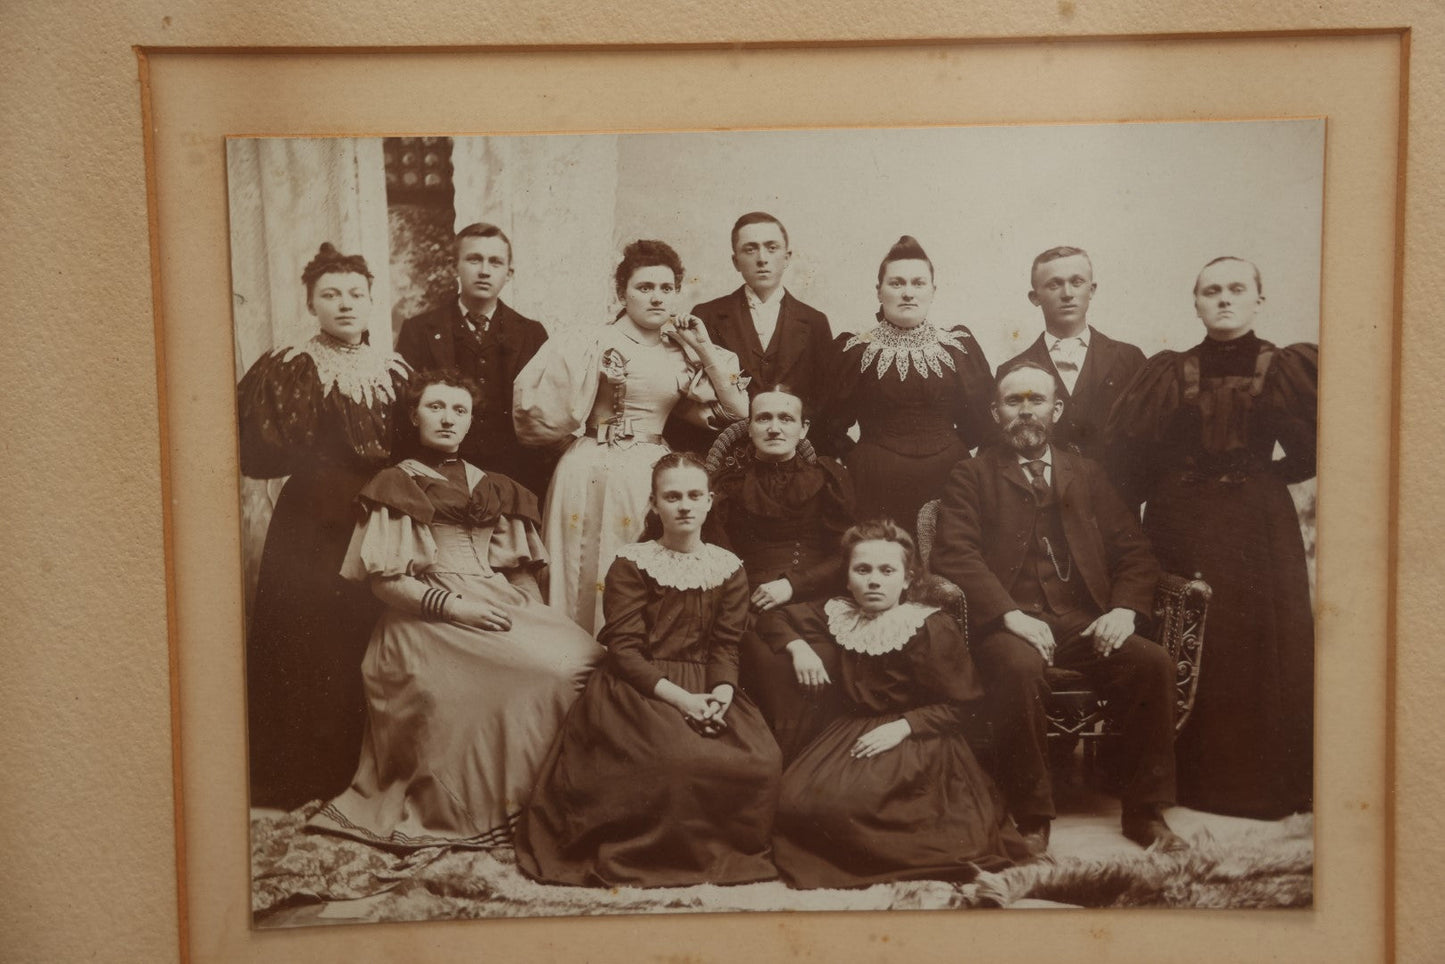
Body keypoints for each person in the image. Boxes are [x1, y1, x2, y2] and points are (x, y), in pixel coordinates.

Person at [306, 372, 602, 849]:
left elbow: (518, 569)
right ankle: (489, 811)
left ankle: (545, 802)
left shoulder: (494, 485)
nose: (447, 418)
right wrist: (457, 609)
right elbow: (386, 582)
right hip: (424, 618)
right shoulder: (395, 483)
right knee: (542, 670)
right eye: (436, 407)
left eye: (458, 410)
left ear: (469, 421)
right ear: (414, 415)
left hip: (495, 599)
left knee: (584, 658)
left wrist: (538, 619)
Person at [930, 361, 1183, 855]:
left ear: (1058, 409)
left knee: (1151, 662)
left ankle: (1146, 813)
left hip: (1081, 622)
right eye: (1013, 401)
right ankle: (1031, 817)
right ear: (995, 411)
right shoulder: (972, 474)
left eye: (1037, 400)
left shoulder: (1087, 474)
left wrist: (1124, 611)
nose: (1026, 411)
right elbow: (954, 553)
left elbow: (1134, 552)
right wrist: (1010, 615)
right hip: (1008, 622)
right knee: (1019, 667)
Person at [1105, 256, 1316, 819]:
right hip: (1182, 525)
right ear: (1195, 302)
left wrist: (1264, 477)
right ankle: (1179, 779)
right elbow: (1132, 461)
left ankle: (1256, 784)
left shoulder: (1288, 366)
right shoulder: (1168, 371)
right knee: (1187, 635)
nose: (1224, 299)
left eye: (1237, 289)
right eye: (1211, 290)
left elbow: (1317, 446)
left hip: (1257, 526)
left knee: (1255, 640)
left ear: (1258, 300)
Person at [517, 453, 783, 887]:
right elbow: (624, 651)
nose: (684, 505)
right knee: (676, 759)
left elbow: (726, 647)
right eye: (672, 496)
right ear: (654, 504)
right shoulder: (633, 563)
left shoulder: (728, 567)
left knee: (762, 760)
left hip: (707, 685)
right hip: (638, 687)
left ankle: (716, 857)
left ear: (710, 501)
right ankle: (663, 860)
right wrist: (683, 702)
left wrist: (721, 696)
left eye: (694, 495)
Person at [237, 242, 411, 810]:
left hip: (380, 514)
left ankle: (367, 768)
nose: (344, 305)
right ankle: (304, 772)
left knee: (371, 632)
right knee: (308, 634)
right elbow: (261, 452)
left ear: (370, 301)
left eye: (355, 295)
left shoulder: (395, 369)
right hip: (314, 519)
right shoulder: (291, 366)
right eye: (330, 295)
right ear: (311, 303)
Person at [761, 520, 1026, 888]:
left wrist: (904, 727)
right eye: (862, 570)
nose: (873, 581)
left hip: (921, 739)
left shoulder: (928, 625)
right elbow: (774, 616)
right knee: (795, 802)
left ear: (906, 579)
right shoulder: (838, 613)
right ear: (848, 578)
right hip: (852, 731)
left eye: (887, 571)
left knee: (855, 808)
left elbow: (964, 707)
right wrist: (798, 646)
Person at [513, 240, 749, 633]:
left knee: (633, 564)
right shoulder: (589, 340)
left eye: (666, 288)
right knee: (578, 567)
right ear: (622, 293)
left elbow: (739, 412)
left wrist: (704, 348)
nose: (657, 298)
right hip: (586, 467)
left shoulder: (681, 352)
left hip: (648, 472)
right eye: (644, 287)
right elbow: (532, 416)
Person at [705, 386, 856, 758]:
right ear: (750, 427)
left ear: (803, 429)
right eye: (764, 418)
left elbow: (846, 555)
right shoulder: (729, 487)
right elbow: (723, 560)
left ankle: (821, 771)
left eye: (785, 418)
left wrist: (794, 585)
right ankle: (782, 769)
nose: (774, 428)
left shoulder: (828, 479)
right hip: (752, 605)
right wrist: (763, 595)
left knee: (835, 662)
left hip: (819, 599)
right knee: (775, 668)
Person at [823, 235, 993, 531]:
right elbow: (827, 427)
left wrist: (948, 451)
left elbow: (982, 423)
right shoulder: (855, 350)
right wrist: (861, 459)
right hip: (874, 483)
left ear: (932, 290)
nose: (908, 293)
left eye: (918, 283)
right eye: (897, 283)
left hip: (949, 479)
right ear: (879, 292)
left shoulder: (958, 347)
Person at [394, 222, 552, 495]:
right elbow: (406, 412)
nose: (484, 270)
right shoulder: (419, 330)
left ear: (509, 272)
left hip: (515, 474)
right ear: (454, 265)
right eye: (474, 259)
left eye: (495, 262)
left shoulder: (531, 333)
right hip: (438, 476)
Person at [670, 212, 837, 455]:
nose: (762, 259)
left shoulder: (814, 322)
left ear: (787, 257)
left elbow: (824, 402)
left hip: (795, 460)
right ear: (735, 261)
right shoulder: (707, 315)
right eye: (750, 249)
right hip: (725, 456)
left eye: (772, 248)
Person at [996, 246, 1147, 491]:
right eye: (1054, 285)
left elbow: (1147, 442)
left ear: (1092, 289)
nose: (1067, 294)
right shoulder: (1011, 371)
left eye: (1077, 282)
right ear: (1035, 297)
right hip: (1045, 505)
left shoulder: (1129, 359)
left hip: (1115, 502)